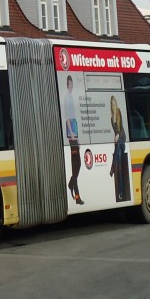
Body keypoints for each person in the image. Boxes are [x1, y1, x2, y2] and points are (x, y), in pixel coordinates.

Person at [64, 75, 83, 205]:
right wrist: (71, 134)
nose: (71, 86)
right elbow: (67, 118)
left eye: (72, 84)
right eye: (69, 84)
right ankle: (77, 196)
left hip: (74, 132)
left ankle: (71, 184)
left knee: (78, 164)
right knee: (75, 165)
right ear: (67, 85)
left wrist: (77, 135)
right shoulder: (66, 99)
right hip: (71, 134)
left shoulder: (71, 97)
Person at [109, 96, 131, 202]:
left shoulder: (118, 112)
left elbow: (121, 129)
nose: (113, 107)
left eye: (114, 104)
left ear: (116, 104)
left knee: (117, 150)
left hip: (122, 139)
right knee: (119, 167)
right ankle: (121, 192)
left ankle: (112, 167)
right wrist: (116, 136)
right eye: (112, 105)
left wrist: (117, 135)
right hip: (118, 143)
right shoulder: (111, 118)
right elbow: (115, 132)